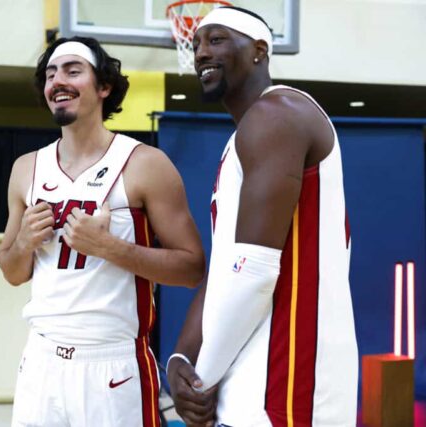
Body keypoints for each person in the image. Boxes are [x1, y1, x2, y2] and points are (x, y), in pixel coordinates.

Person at [0, 36, 206, 427]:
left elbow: (192, 267)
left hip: (112, 365)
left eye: (73, 71)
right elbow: (11, 271)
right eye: (50, 74)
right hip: (40, 362)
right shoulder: (26, 168)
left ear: (104, 87)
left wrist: (111, 248)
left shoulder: (145, 164)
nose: (58, 80)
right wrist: (23, 242)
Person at [166, 7, 358, 427]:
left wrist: (202, 378)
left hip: (289, 389)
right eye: (196, 43)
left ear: (259, 51)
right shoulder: (247, 134)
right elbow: (226, 267)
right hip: (251, 385)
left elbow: (252, 270)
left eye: (215, 40)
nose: (200, 53)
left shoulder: (278, 115)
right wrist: (183, 356)